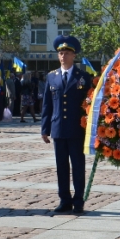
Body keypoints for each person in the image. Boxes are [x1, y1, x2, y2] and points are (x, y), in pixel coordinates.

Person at [41, 36, 93, 213]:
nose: (63, 56)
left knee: (78, 166)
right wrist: (44, 128)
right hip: (58, 129)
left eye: (67, 53)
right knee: (61, 167)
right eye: (61, 53)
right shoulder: (52, 77)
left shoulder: (83, 77)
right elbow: (47, 104)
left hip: (77, 129)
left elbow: (90, 104)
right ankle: (64, 200)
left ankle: (78, 201)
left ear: (74, 55)